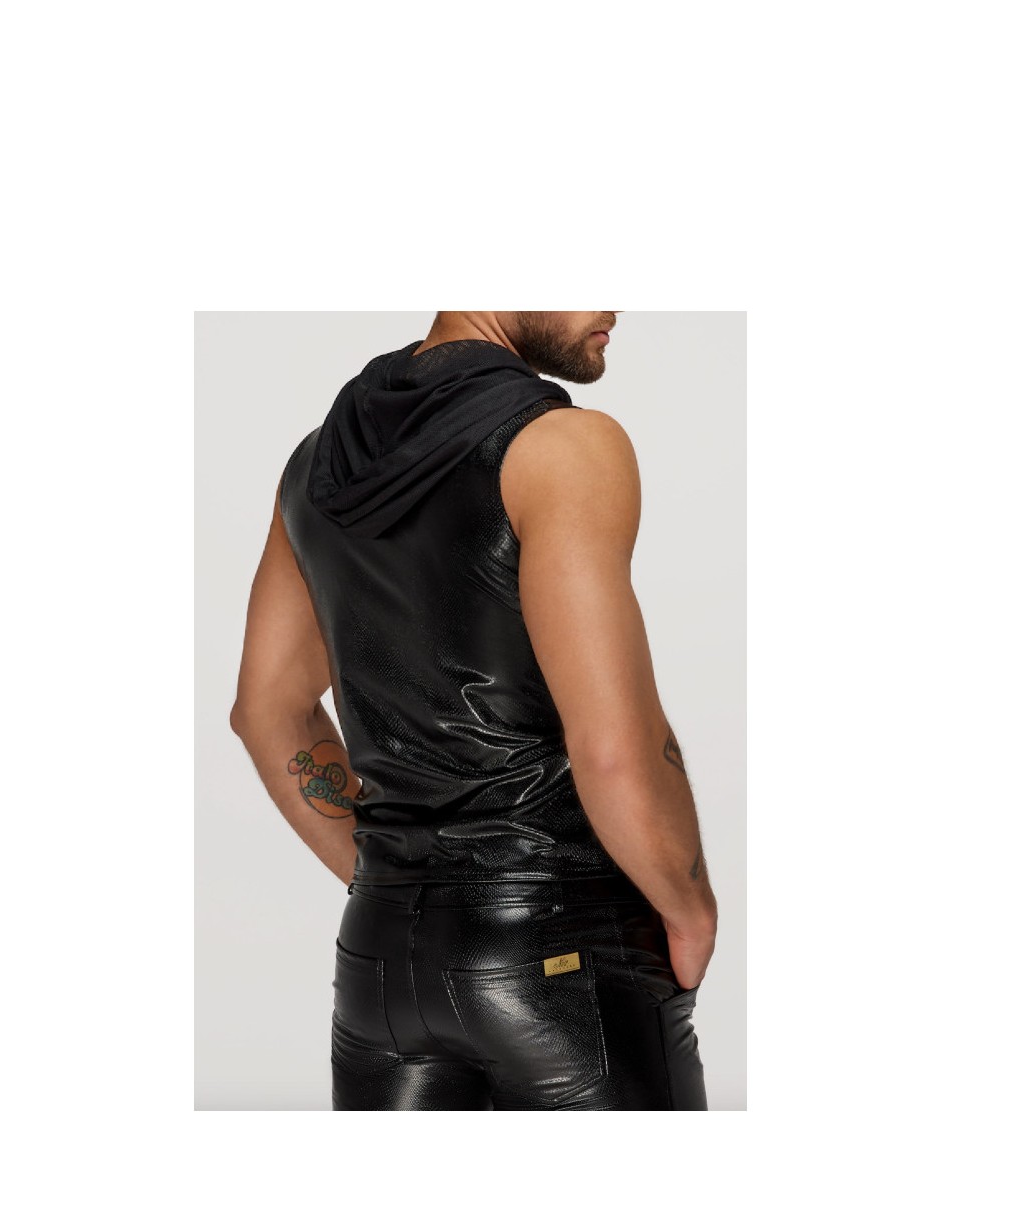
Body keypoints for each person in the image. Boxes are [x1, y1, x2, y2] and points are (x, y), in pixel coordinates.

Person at [230, 311, 718, 1110]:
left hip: (380, 965)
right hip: (562, 949)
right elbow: (613, 746)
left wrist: (399, 886)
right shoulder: (564, 447)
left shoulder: (318, 466)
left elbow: (265, 709)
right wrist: (691, 911)